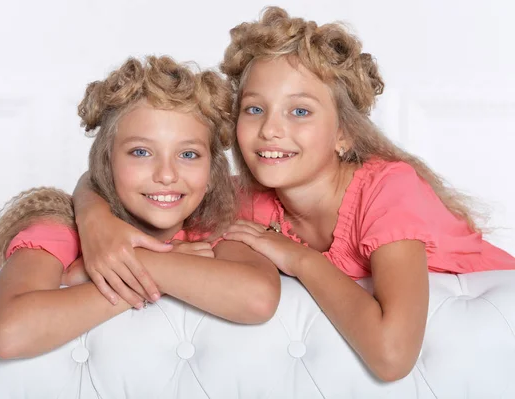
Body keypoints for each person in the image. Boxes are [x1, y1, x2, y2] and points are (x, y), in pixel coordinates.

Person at [70, 8, 515, 382]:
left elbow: (392, 356)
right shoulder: (253, 203)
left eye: (299, 110)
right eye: (254, 109)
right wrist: (95, 219)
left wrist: (301, 259)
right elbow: (155, 210)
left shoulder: (388, 189)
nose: (271, 129)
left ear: (344, 134)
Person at [0, 56, 281, 360]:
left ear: (212, 174)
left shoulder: (216, 232)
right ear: (107, 163)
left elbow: (258, 299)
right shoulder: (61, 230)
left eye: (188, 155)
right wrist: (160, 268)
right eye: (141, 152)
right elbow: (10, 334)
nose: (167, 174)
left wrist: (136, 265)